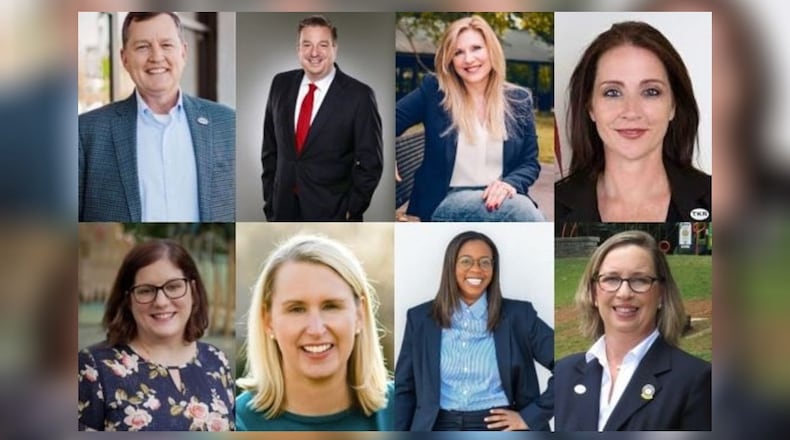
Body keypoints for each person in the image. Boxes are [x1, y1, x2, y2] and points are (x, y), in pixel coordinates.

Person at [79, 12, 235, 222]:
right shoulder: (86, 132)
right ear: (124, 58)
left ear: (184, 53)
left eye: (166, 45)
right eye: (143, 46)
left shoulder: (228, 124)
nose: (156, 56)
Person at [394, 231, 554, 431]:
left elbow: (569, 367)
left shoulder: (519, 316)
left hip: (499, 427)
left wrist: (530, 417)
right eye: (466, 261)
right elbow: (404, 389)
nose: (476, 269)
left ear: (493, 268)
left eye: (485, 262)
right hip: (436, 425)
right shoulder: (420, 319)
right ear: (451, 266)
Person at [555, 21, 711, 223]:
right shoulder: (556, 206)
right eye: (612, 92)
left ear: (673, 105)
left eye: (651, 92)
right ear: (590, 108)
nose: (631, 112)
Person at [554, 230, 711, 431]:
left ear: (661, 294)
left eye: (640, 280)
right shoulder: (562, 374)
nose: (624, 293)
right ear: (594, 293)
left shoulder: (696, 380)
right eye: (611, 279)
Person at [395, 16, 544, 222]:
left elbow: (529, 162)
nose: (469, 59)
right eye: (458, 52)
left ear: (491, 50)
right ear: (450, 60)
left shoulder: (519, 100)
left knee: (523, 212)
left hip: (499, 199)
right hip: (445, 201)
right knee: (522, 212)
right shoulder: (435, 92)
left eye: (476, 48)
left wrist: (509, 184)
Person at [235, 234, 392, 430]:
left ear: (359, 315)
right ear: (268, 320)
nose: (316, 329)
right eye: (296, 309)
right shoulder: (235, 423)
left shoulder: (405, 410)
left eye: (331, 306)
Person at [78, 239, 235, 431]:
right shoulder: (94, 367)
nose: (161, 302)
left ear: (193, 291)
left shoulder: (216, 360)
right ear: (128, 299)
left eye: (174, 287)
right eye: (146, 291)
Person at [261, 15, 383, 221]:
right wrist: (270, 201)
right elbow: (270, 148)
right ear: (298, 49)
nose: (314, 52)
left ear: (335, 48)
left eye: (323, 45)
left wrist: (351, 209)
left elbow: (371, 162)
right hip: (283, 210)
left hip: (332, 213)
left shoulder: (359, 95)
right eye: (306, 44)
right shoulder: (280, 84)